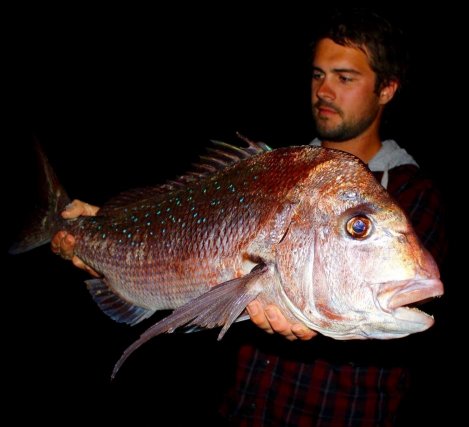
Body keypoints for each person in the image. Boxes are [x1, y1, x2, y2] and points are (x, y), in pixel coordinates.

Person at [51, 8, 447, 426]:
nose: (324, 91)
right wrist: (103, 228)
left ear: (386, 90)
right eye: (317, 75)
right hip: (246, 408)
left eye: (345, 77)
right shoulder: (278, 169)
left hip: (343, 414)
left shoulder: (413, 191)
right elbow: (176, 222)